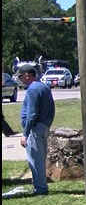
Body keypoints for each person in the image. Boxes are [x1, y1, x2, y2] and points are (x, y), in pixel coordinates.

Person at [18, 63, 55, 195]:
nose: (20, 79)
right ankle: (40, 186)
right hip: (43, 126)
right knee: (39, 158)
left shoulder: (33, 89)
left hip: (35, 128)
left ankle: (40, 189)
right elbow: (52, 110)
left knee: (35, 160)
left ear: (28, 76)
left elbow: (32, 114)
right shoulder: (44, 86)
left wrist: (25, 133)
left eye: (21, 77)